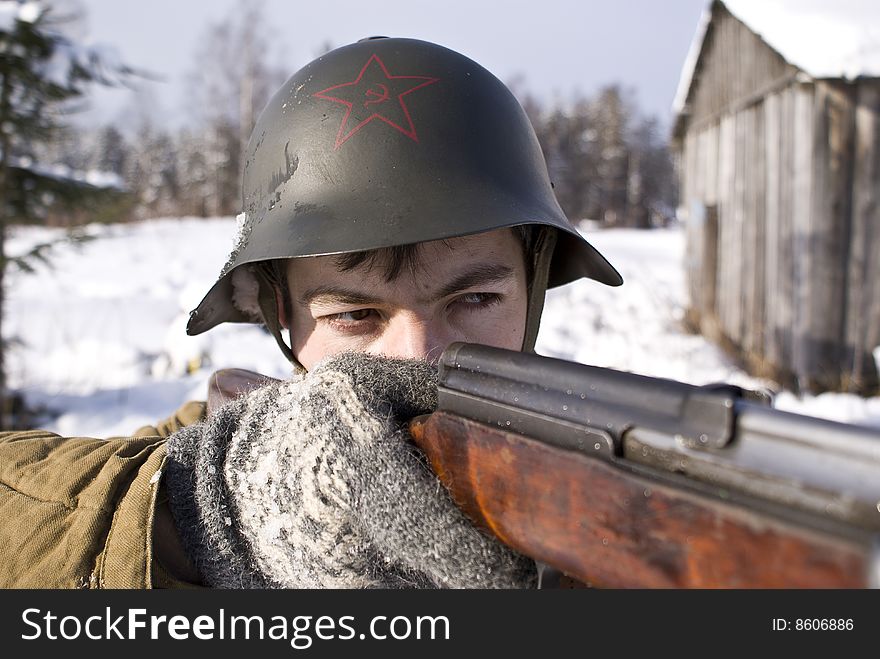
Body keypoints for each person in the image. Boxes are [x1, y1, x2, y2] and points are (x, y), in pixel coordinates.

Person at [0, 37, 621, 589]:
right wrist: (212, 515)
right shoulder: (210, 462)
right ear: (279, 313)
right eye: (355, 315)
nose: (417, 358)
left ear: (534, 285)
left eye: (476, 300)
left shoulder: (603, 483)